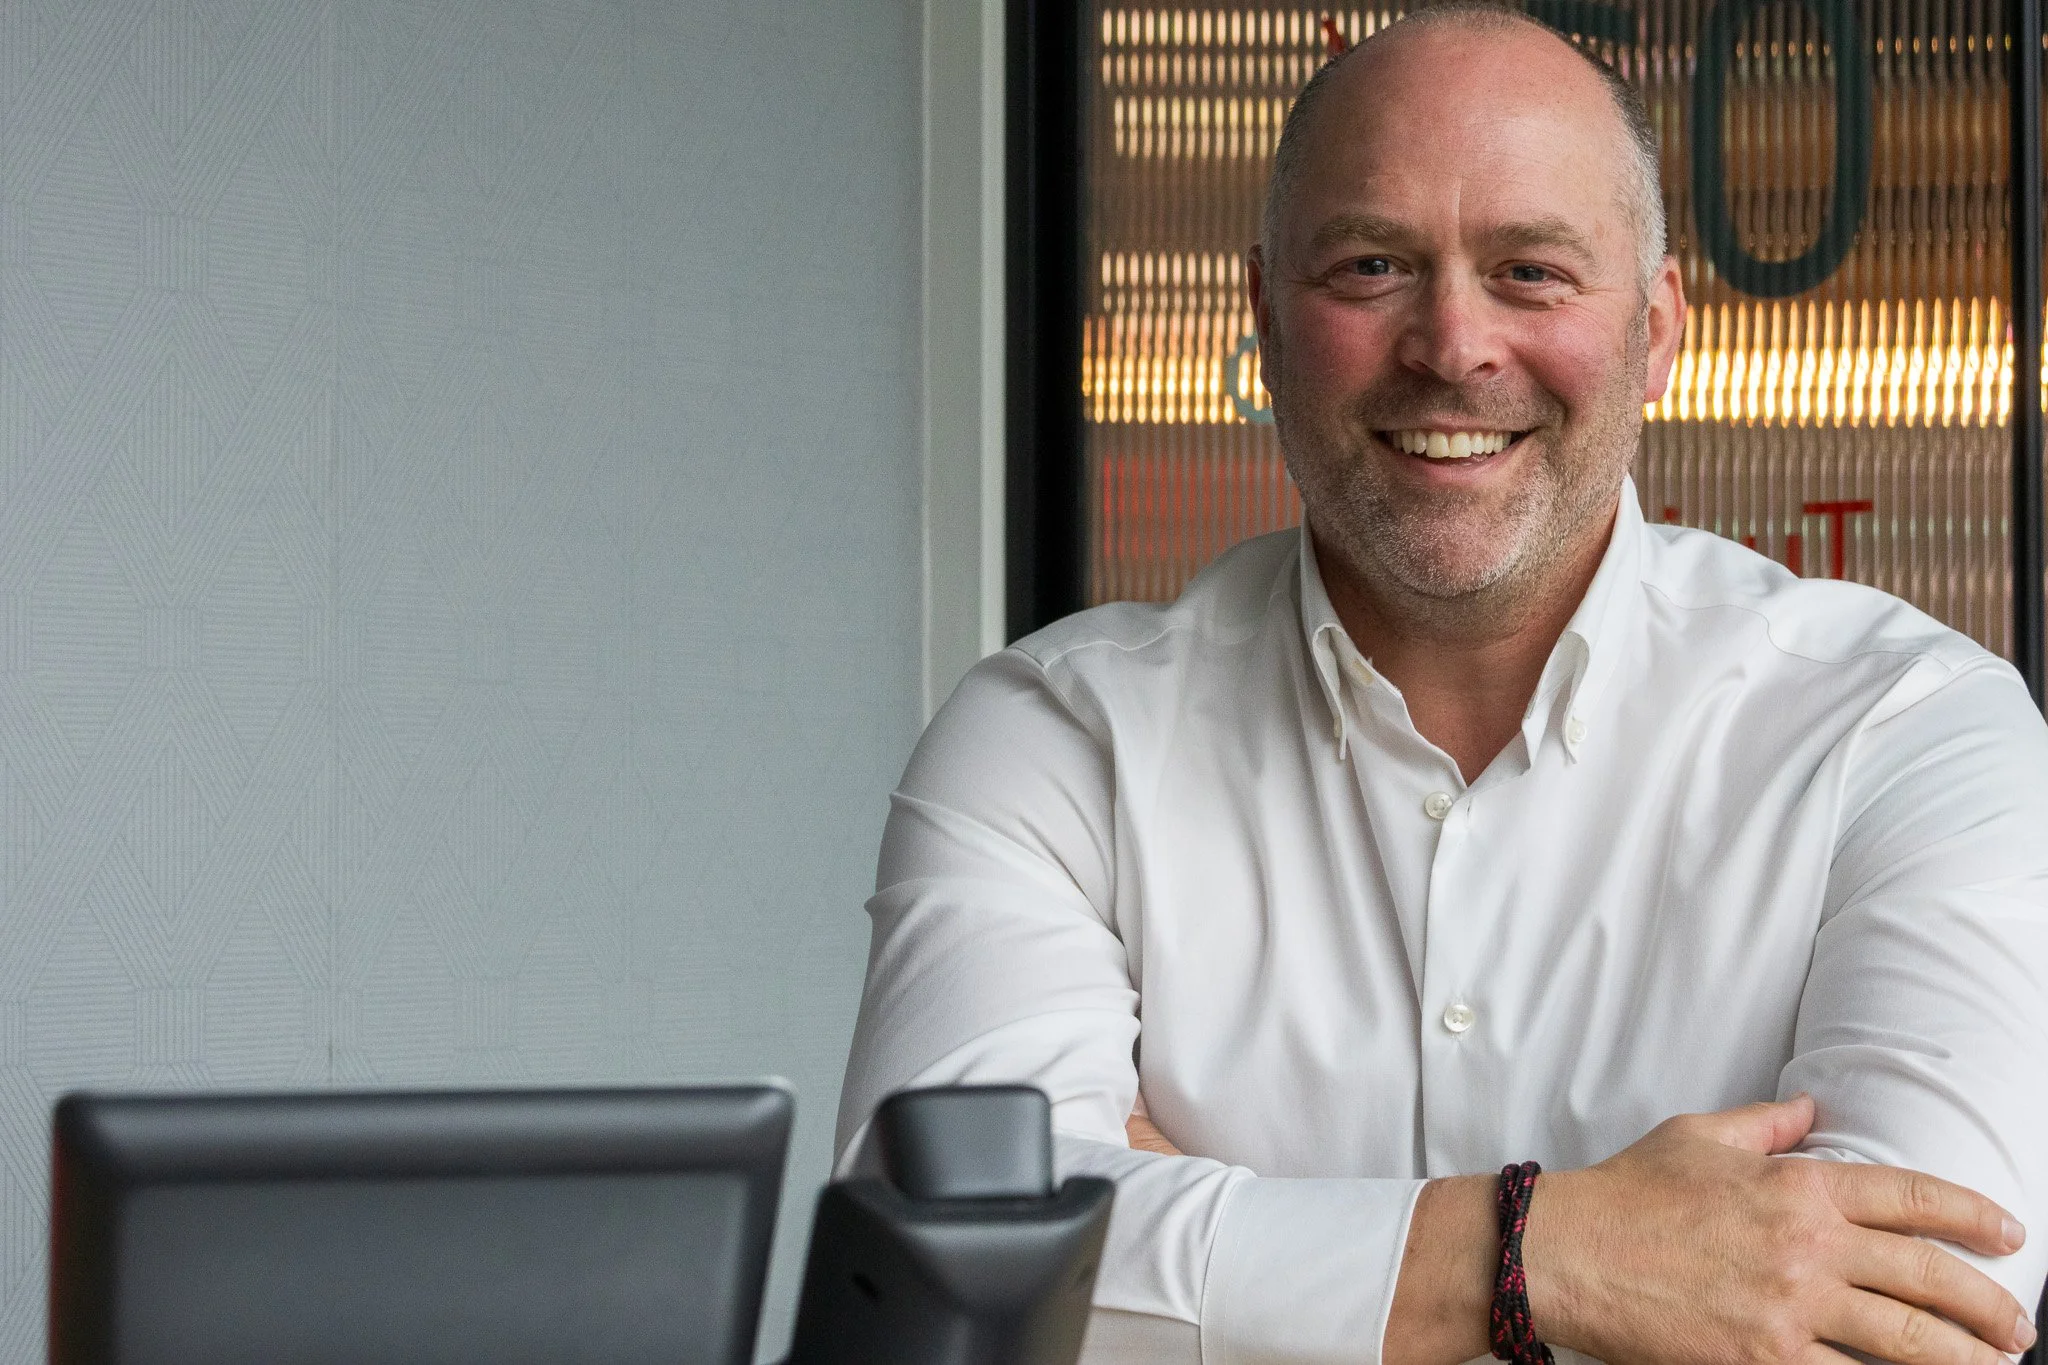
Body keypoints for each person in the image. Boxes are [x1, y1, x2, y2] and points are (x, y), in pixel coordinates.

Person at [836, 4, 2048, 1362]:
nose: (1453, 345)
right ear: (1266, 320)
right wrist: (1554, 1256)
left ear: (1654, 335)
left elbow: (1916, 1317)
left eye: (1532, 271)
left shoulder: (1911, 731)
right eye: (1370, 267)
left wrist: (1191, 1241)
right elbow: (948, 1292)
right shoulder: (1055, 743)